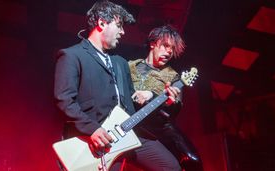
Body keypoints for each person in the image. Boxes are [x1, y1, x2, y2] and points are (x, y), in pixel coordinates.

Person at [54, 1, 181, 171]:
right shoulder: (72, 56)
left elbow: (133, 101)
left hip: (128, 131)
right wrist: (93, 129)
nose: (123, 32)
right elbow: (64, 101)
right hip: (95, 138)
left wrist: (162, 99)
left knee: (172, 167)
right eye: (119, 25)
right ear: (101, 23)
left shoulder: (120, 63)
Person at [128, 25, 204, 171]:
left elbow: (175, 108)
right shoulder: (129, 66)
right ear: (152, 43)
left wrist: (169, 102)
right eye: (165, 46)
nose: (169, 51)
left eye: (172, 49)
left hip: (149, 132)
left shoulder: (173, 77)